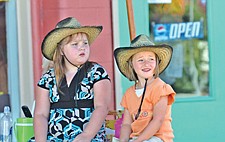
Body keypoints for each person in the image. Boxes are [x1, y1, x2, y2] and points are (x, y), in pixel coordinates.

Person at [34, 17, 112, 142]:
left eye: (85, 43)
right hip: (54, 138)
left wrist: (86, 136)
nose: (82, 48)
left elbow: (101, 107)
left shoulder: (96, 72)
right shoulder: (47, 78)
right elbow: (41, 114)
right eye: (75, 44)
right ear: (61, 50)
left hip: (88, 138)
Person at [114, 34, 176, 142]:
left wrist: (138, 141)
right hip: (136, 138)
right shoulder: (129, 94)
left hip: (158, 138)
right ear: (132, 65)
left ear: (157, 63)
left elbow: (158, 120)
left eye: (151, 59)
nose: (146, 63)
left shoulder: (160, 88)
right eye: (140, 60)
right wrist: (123, 141)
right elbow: (127, 124)